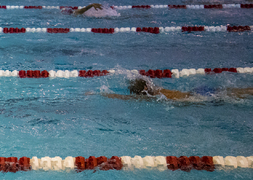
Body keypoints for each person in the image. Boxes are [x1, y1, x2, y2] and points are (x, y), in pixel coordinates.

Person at [102, 78, 253, 101]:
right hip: (197, 91)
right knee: (238, 91)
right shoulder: (156, 90)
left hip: (196, 97)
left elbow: (128, 98)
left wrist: (103, 94)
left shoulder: (153, 96)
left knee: (236, 94)